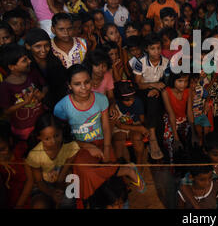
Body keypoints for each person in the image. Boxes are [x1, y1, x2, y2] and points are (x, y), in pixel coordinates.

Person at [53, 65, 145, 207]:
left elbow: (106, 127)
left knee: (110, 175)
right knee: (85, 171)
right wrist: (87, 145)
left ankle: (117, 201)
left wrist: (107, 148)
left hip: (102, 142)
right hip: (78, 147)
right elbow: (63, 136)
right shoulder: (62, 107)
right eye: (77, 84)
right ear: (69, 85)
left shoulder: (101, 99)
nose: (84, 87)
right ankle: (125, 170)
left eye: (87, 82)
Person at [25, 113, 80, 209]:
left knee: (68, 201)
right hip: (43, 186)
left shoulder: (70, 146)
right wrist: (52, 193)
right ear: (39, 137)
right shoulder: (34, 155)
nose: (53, 142)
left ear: (61, 131)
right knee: (39, 205)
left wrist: (59, 185)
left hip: (64, 181)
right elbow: (39, 181)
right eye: (47, 139)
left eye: (57, 135)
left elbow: (65, 170)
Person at [0, 43, 46, 141]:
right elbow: (6, 111)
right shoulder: (5, 87)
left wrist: (42, 95)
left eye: (27, 58)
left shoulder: (30, 74)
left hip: (41, 123)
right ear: (12, 67)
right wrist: (25, 102)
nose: (29, 61)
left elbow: (44, 88)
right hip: (24, 131)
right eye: (24, 60)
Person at [133, 34, 167, 160]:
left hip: (157, 92)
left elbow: (166, 81)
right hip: (143, 92)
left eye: (158, 48)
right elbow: (138, 85)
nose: (156, 51)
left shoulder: (165, 62)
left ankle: (157, 144)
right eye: (153, 48)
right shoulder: (139, 62)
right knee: (151, 99)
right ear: (147, 49)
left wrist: (158, 89)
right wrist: (154, 85)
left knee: (158, 113)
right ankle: (152, 137)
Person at [24, 28, 68, 108]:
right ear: (28, 46)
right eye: (38, 46)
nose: (43, 50)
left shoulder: (55, 61)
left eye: (46, 45)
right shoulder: (26, 66)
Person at [161, 72, 198, 163]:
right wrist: (176, 138)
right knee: (170, 142)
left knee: (191, 141)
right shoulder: (166, 91)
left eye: (186, 81)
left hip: (183, 119)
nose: (183, 84)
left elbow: (189, 111)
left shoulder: (188, 90)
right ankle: (172, 166)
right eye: (180, 81)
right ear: (173, 80)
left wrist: (194, 133)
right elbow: (171, 114)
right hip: (170, 119)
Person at [111, 80, 148, 166]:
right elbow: (119, 125)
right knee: (118, 141)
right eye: (127, 100)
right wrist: (140, 128)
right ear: (120, 99)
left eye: (132, 99)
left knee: (137, 138)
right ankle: (121, 166)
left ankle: (139, 164)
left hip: (135, 125)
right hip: (120, 128)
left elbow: (142, 120)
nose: (130, 102)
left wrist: (141, 128)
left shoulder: (138, 102)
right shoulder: (115, 106)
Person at [0, 122, 33, 209]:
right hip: (10, 198)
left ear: (10, 142)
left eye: (2, 149)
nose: (1, 154)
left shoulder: (21, 151)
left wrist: (18, 206)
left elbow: (30, 180)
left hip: (28, 194)